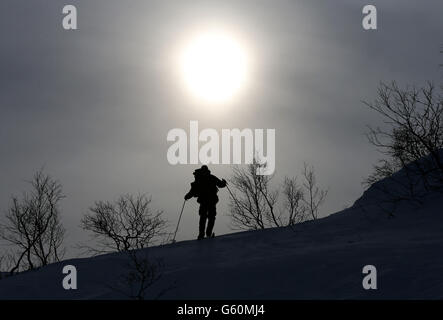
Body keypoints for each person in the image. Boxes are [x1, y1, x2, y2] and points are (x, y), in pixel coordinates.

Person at [184, 165, 227, 240]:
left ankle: (202, 234)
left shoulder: (199, 179)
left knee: (203, 217)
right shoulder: (211, 177)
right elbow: (221, 185)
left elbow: (192, 191)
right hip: (211, 200)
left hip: (204, 200)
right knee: (211, 216)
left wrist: (187, 196)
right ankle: (208, 233)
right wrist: (224, 182)